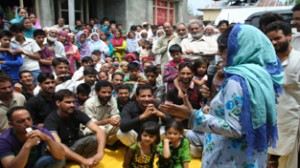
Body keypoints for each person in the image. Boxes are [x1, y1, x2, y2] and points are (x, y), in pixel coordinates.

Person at [159, 23, 284, 167]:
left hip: (228, 158)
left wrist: (193, 115)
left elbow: (234, 128)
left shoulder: (237, 81)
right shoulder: (261, 75)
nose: (220, 53)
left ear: (240, 48)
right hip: (250, 155)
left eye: (224, 48)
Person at [265, 21, 300, 168]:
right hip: (269, 119)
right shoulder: (266, 61)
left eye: (278, 38)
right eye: (270, 39)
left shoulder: (298, 60)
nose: (274, 42)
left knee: (289, 162)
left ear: (289, 36)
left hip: (293, 120)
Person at [44, 89, 106, 167]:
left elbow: (99, 131)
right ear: (58, 103)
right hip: (61, 152)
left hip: (74, 146)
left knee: (95, 139)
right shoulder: (51, 120)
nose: (72, 105)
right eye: (68, 102)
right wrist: (83, 160)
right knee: (59, 157)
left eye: (73, 102)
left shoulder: (77, 113)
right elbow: (57, 145)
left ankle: (87, 162)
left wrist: (100, 152)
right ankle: (83, 161)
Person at [0, 106, 65, 168]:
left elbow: (61, 156)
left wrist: (48, 139)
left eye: (29, 119)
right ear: (11, 124)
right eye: (21, 121)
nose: (27, 123)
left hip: (35, 165)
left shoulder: (41, 131)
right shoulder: (4, 140)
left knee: (58, 160)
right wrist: (27, 146)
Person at [83, 80, 120, 146]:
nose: (107, 95)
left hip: (107, 126)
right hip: (90, 128)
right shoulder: (89, 103)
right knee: (101, 129)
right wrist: (107, 121)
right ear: (97, 92)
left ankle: (107, 143)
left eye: (109, 92)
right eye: (104, 92)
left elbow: (115, 114)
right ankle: (103, 143)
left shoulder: (112, 100)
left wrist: (115, 120)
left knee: (122, 126)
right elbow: (90, 123)